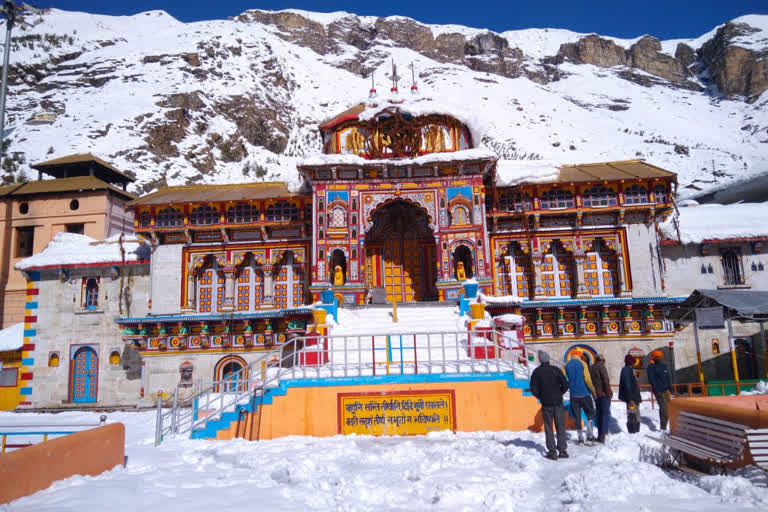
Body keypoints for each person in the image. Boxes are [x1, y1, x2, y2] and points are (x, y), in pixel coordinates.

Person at [530, 350, 569, 460]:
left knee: (548, 427)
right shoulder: (556, 370)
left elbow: (533, 388)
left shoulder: (537, 372)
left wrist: (541, 396)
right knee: (560, 426)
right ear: (548, 359)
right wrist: (559, 393)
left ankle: (552, 452)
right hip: (558, 402)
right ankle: (562, 450)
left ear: (540, 360)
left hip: (546, 404)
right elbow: (565, 384)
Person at [564, 349, 596, 445]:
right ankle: (590, 437)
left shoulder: (566, 365)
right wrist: (593, 391)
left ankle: (580, 438)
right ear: (580, 356)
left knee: (577, 417)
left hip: (574, 395)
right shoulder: (583, 364)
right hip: (585, 394)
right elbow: (587, 380)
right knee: (590, 414)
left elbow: (562, 377)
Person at [646, 350, 672, 430]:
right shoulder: (651, 367)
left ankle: (666, 425)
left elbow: (667, 377)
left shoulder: (663, 366)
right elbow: (651, 379)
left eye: (660, 356)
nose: (660, 358)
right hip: (659, 391)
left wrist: (670, 389)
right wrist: (656, 390)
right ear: (654, 358)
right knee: (664, 408)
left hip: (666, 390)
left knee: (669, 407)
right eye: (658, 357)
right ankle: (663, 427)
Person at [589, 353, 612, 443]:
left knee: (599, 414)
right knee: (605, 413)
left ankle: (599, 434)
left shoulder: (591, 367)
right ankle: (603, 434)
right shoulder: (601, 367)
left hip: (596, 394)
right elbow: (605, 380)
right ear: (602, 360)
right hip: (603, 394)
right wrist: (608, 392)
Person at [619, 354, 642, 433]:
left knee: (635, 412)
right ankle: (633, 430)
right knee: (632, 413)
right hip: (632, 397)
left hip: (633, 396)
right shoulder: (626, 370)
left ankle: (636, 430)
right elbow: (627, 385)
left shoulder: (629, 370)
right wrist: (630, 398)